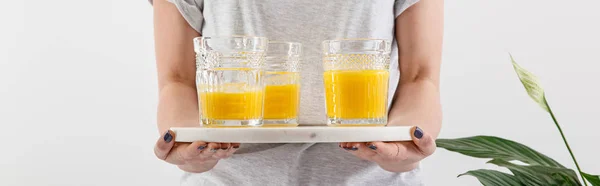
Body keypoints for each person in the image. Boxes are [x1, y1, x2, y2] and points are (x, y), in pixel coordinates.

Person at [151, 0, 443, 185]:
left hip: (372, 179)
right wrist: (195, 152)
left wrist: (403, 149)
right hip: (229, 178)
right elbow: (177, 80)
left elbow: (420, 77)